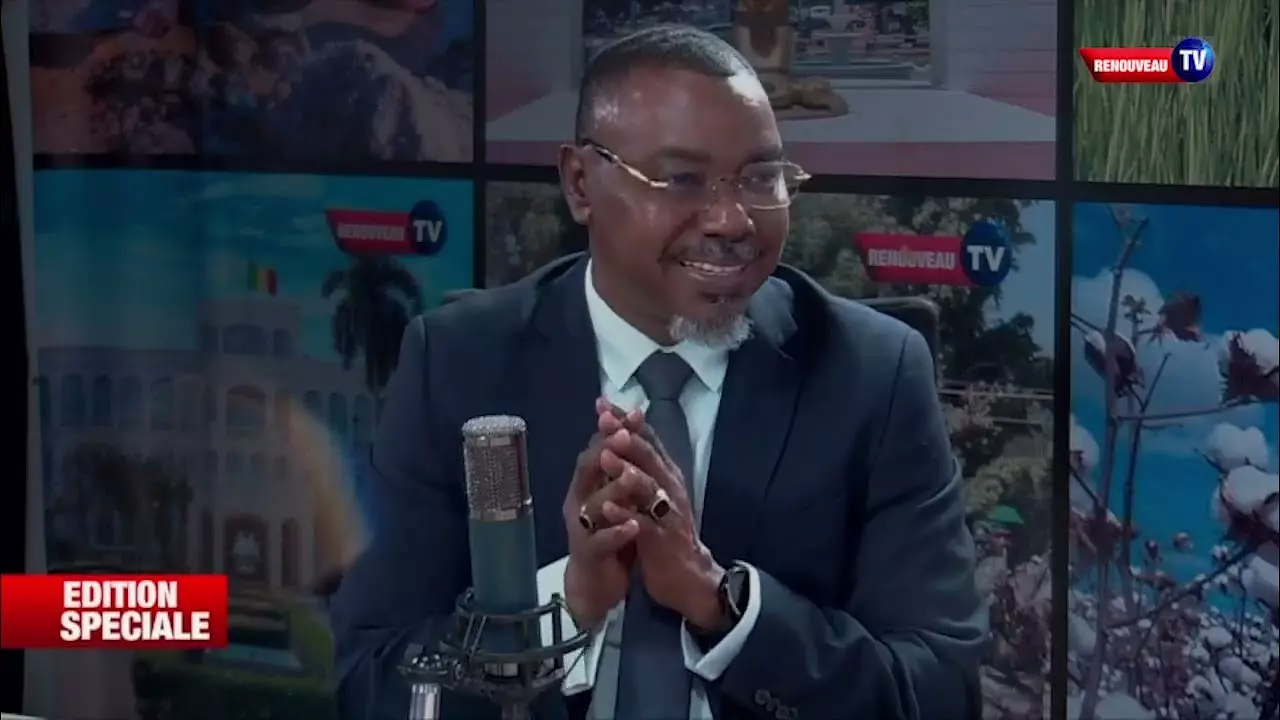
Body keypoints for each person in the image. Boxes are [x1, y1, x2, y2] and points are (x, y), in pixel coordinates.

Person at [330, 24, 986, 720]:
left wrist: (721, 603)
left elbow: (938, 694)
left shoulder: (872, 375)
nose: (733, 220)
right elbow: (374, 684)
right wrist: (565, 607)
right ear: (580, 183)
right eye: (682, 180)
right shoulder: (458, 366)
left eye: (762, 178)